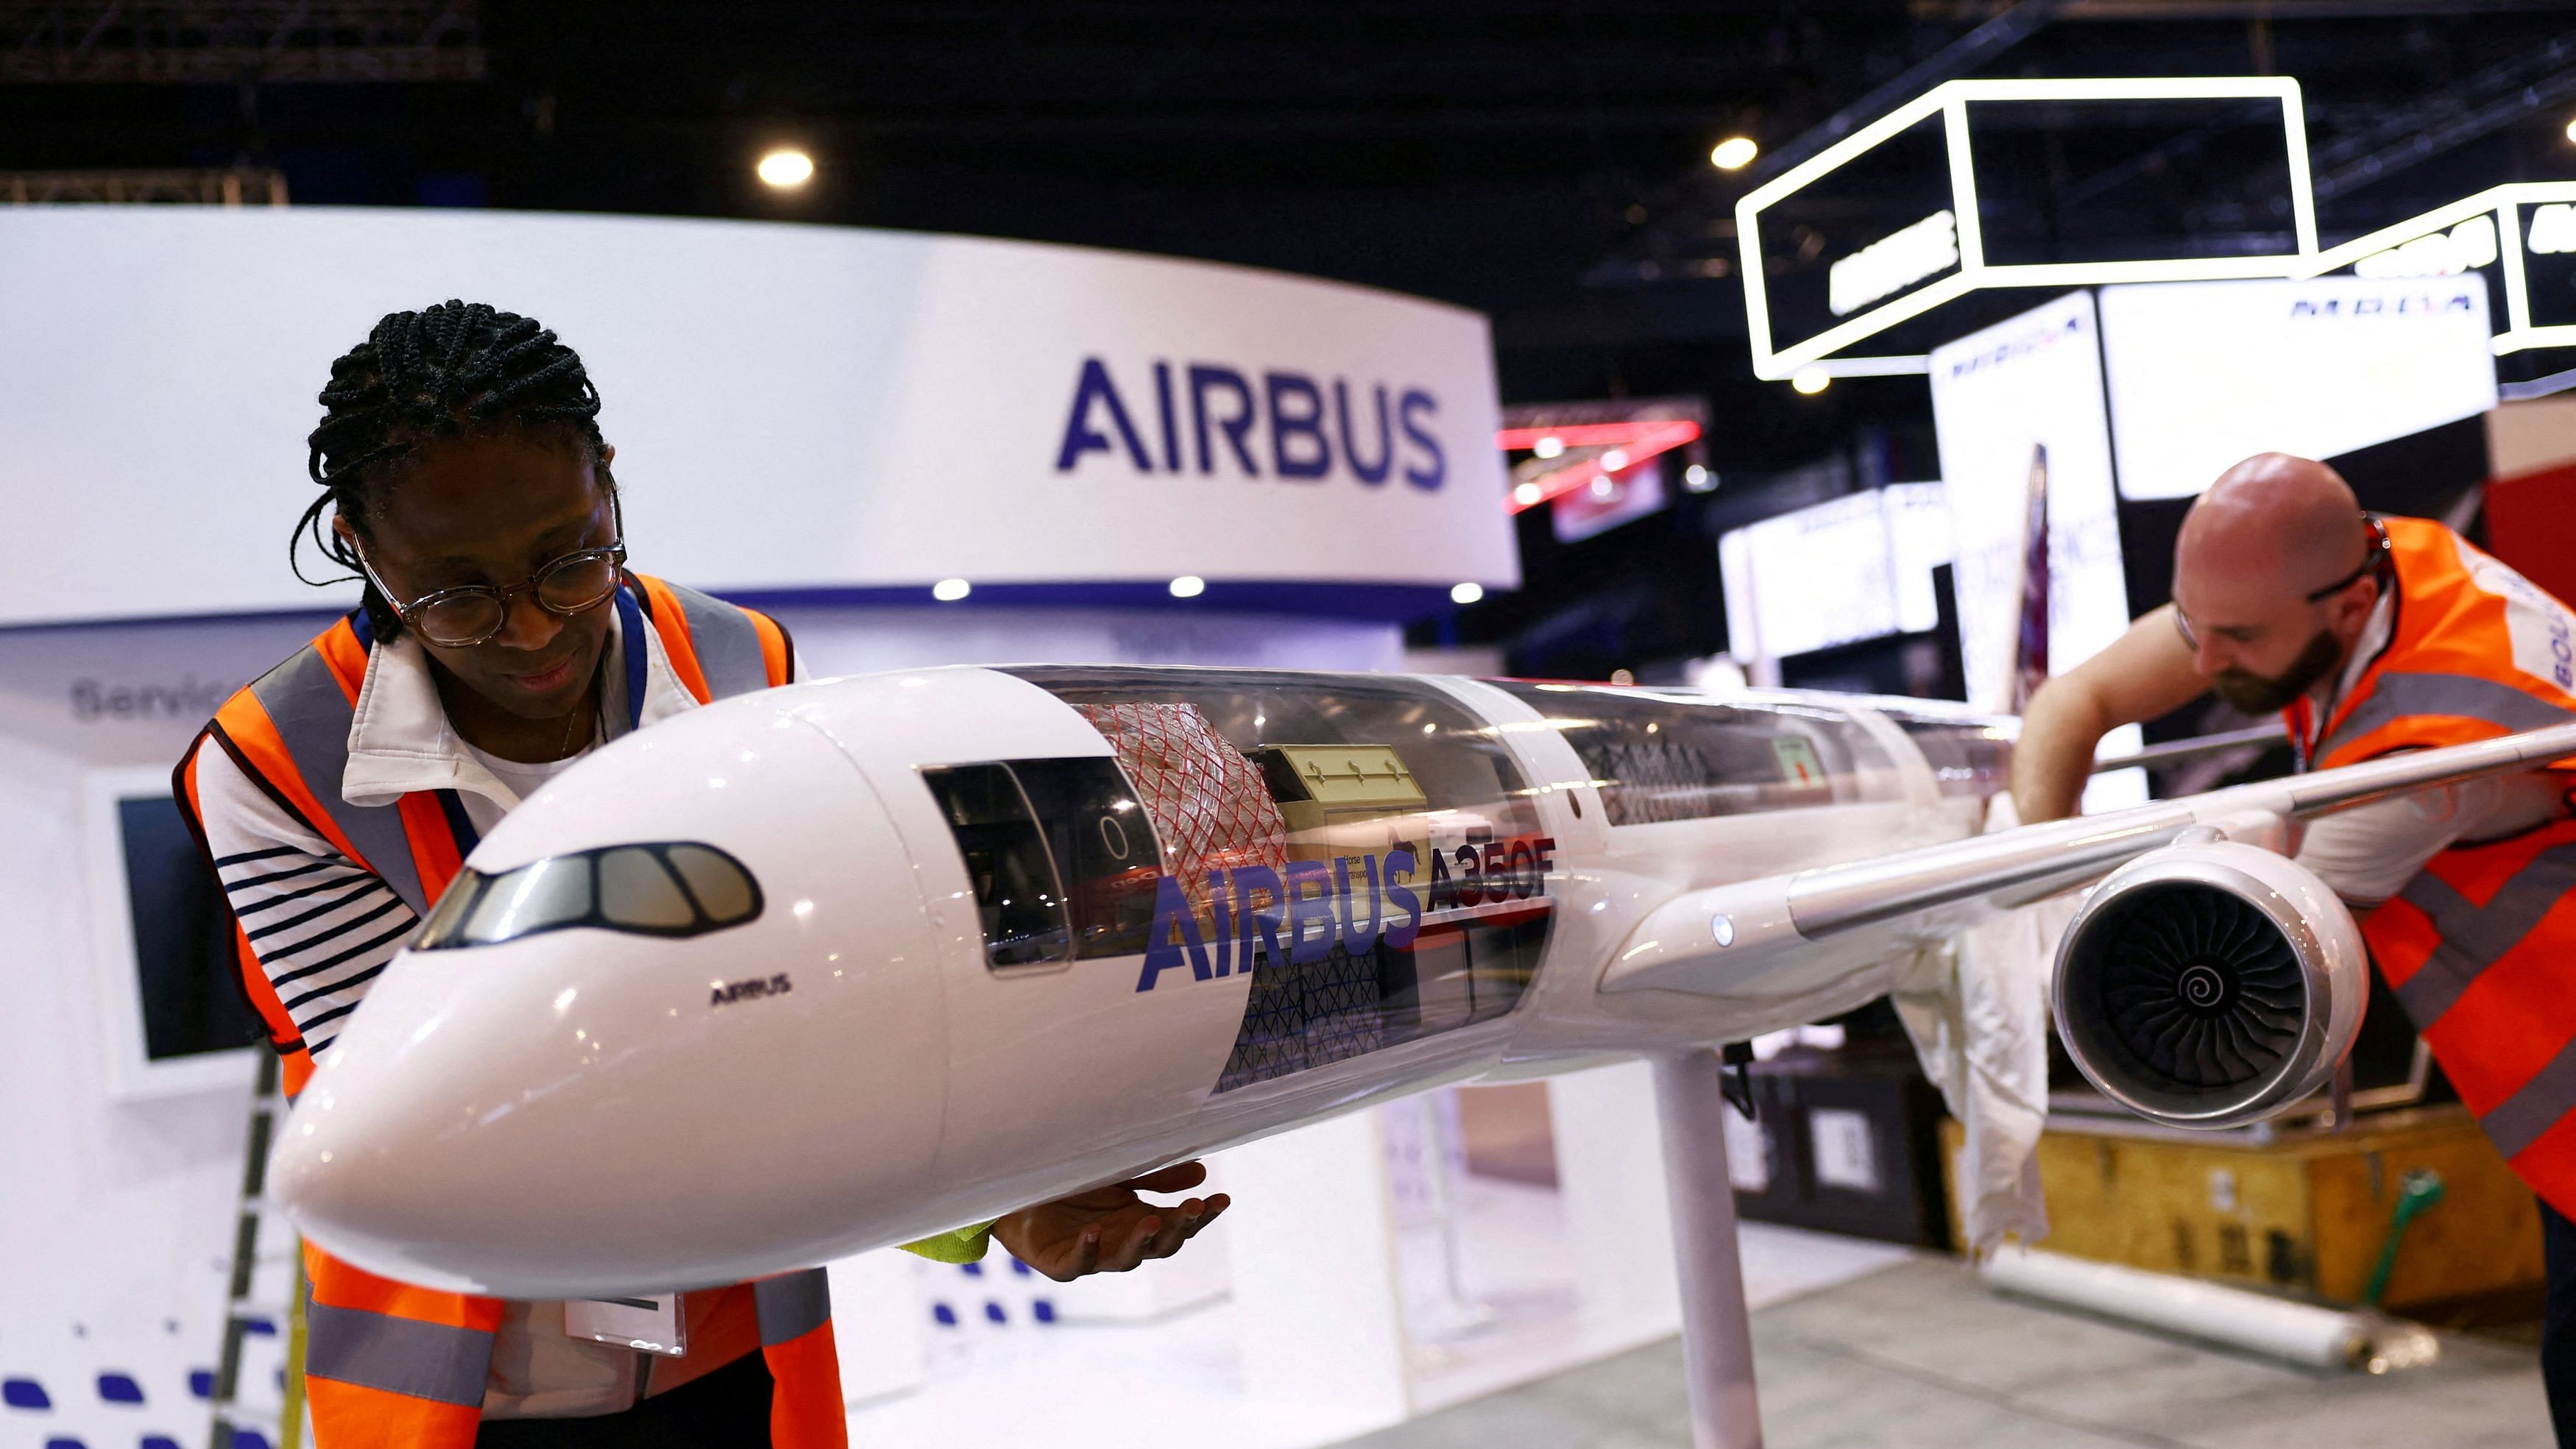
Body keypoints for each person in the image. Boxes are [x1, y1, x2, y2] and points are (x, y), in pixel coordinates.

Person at [174, 301, 1228, 1449]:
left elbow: (840, 1011)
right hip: (469, 1397)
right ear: (358, 549)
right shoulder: (275, 762)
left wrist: (998, 1190)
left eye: (569, 559)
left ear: (608, 483)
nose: (530, 629)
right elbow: (439, 1125)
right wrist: (942, 1184)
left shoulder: (745, 664)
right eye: (456, 593)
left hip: (735, 1349)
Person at [2014, 451, 2576, 1442]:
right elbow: (2075, 700)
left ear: (2350, 609)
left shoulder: (2433, 751)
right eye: (2193, 624)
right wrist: (2031, 868)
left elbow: (2261, 910)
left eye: (2234, 637)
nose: (2201, 666)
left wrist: (2040, 917)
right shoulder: (2368, 569)